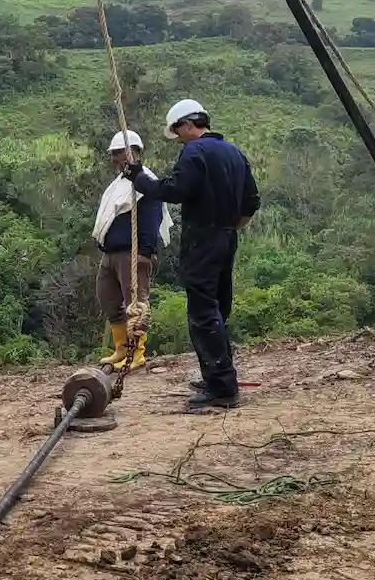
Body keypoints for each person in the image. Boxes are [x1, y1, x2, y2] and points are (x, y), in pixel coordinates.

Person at [123, 100, 260, 409]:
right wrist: (231, 226)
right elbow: (252, 201)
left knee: (202, 312)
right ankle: (219, 376)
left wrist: (139, 178)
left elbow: (174, 190)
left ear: (187, 125)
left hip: (204, 239)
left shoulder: (195, 151)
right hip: (227, 237)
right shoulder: (234, 152)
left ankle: (222, 389)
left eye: (177, 132)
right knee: (218, 308)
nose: (179, 138)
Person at [92, 129, 173, 370]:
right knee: (107, 297)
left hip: (132, 252)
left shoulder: (144, 180)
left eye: (118, 152)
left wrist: (146, 251)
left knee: (135, 302)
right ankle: (121, 348)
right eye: (113, 153)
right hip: (111, 253)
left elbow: (151, 216)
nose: (115, 158)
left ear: (132, 152)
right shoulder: (119, 183)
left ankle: (137, 352)